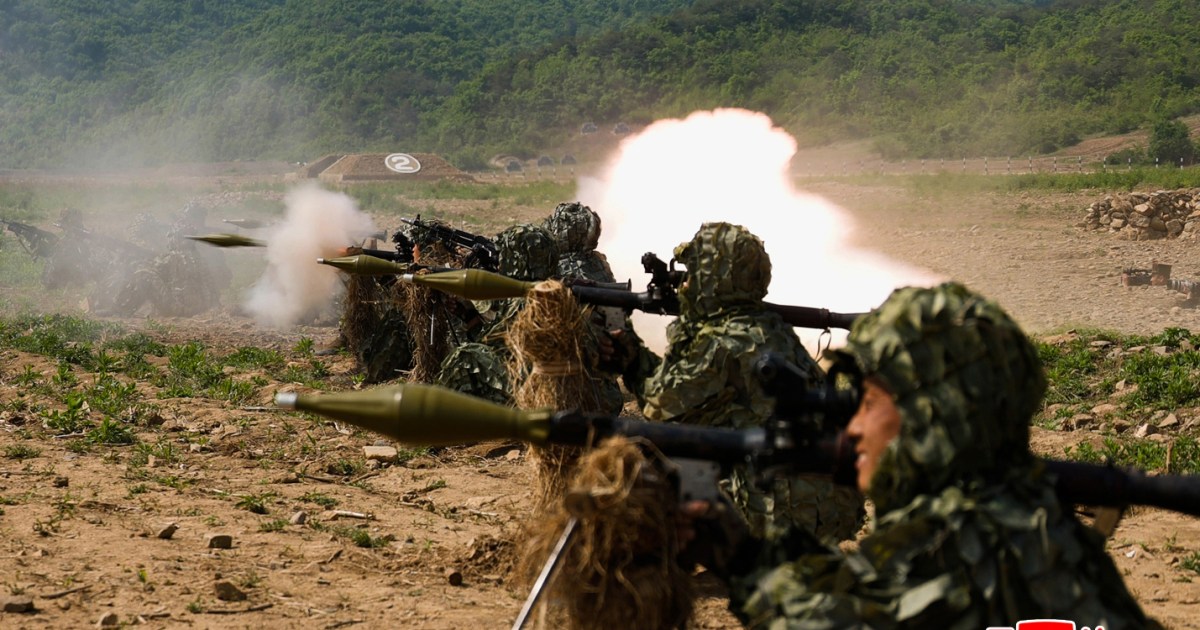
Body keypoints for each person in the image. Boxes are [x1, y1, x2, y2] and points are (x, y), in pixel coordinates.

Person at [684, 282, 1158, 629]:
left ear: (931, 413)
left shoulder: (946, 545)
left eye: (869, 403)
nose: (854, 427)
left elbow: (834, 618)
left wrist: (736, 554)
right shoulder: (1050, 531)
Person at [640, 222, 863, 541]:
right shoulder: (774, 328)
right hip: (827, 505)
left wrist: (636, 355)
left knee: (653, 459)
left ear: (714, 279)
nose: (686, 284)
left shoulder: (722, 340)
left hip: (780, 511)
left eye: (694, 274)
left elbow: (658, 408)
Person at [435, 223, 559, 404]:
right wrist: (468, 316)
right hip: (545, 383)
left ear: (518, 260)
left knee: (466, 356)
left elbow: (487, 345)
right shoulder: (555, 290)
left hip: (528, 390)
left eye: (505, 255)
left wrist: (459, 321)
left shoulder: (522, 302)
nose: (500, 262)